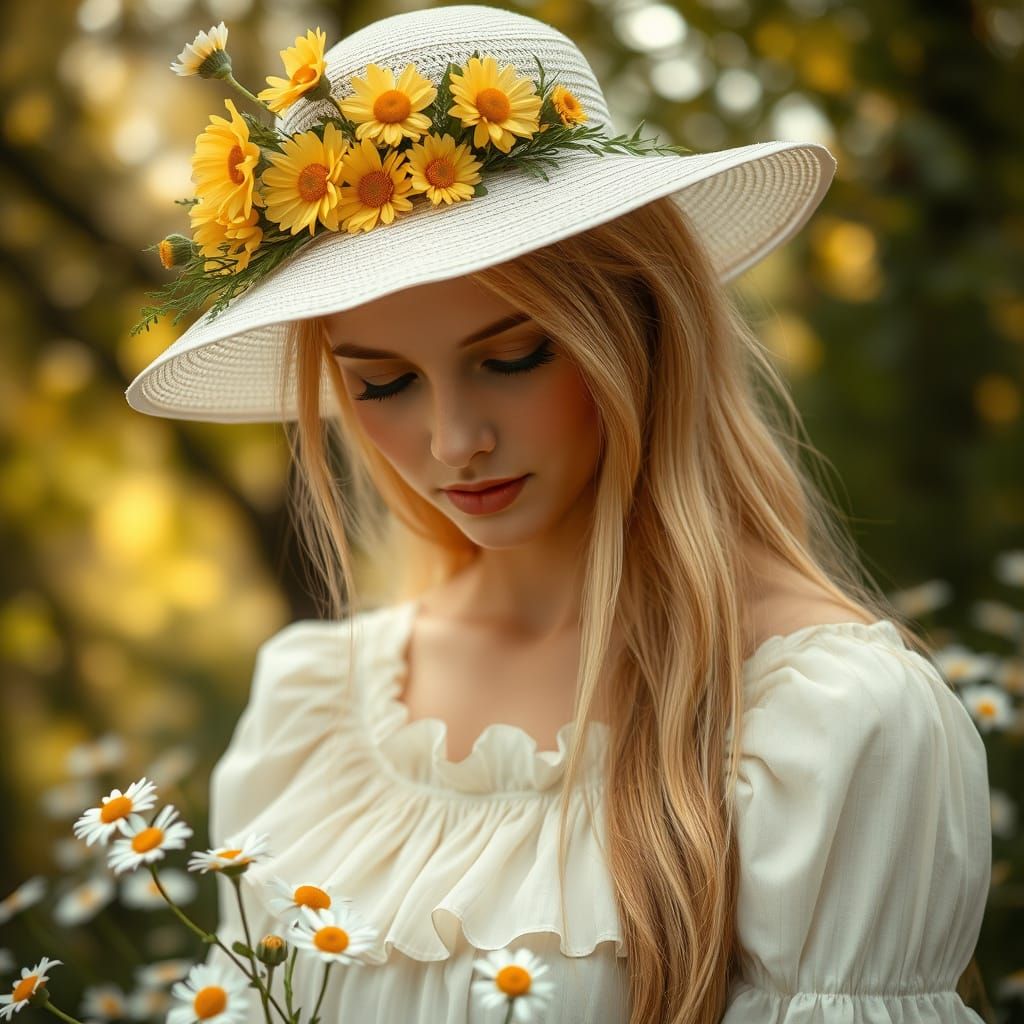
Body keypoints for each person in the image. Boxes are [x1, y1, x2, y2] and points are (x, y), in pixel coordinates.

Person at [125, 5, 992, 1022]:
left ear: (642, 326)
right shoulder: (309, 713)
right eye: (383, 383)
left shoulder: (829, 726)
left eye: (512, 357)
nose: (453, 441)